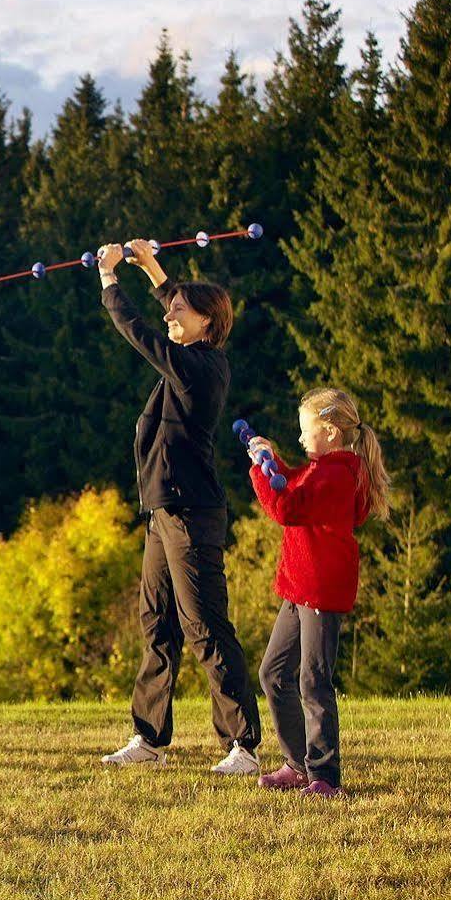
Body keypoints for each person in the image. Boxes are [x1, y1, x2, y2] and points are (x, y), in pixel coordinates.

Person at [96, 238, 261, 775]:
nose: (169, 312)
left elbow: (140, 334)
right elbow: (172, 310)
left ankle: (242, 745)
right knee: (156, 623)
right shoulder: (191, 353)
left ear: (207, 323)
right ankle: (149, 739)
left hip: (193, 513)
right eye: (169, 305)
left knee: (205, 626)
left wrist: (111, 281)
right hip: (162, 511)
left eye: (179, 310)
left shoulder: (201, 368)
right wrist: (151, 267)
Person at [246, 387, 391, 799]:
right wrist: (271, 459)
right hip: (300, 589)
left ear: (328, 431)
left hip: (320, 592)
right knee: (273, 673)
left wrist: (259, 472)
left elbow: (287, 508)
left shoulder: (335, 475)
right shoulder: (323, 468)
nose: (301, 438)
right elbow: (295, 484)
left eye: (305, 430)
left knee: (314, 681)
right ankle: (297, 764)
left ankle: (324, 777)